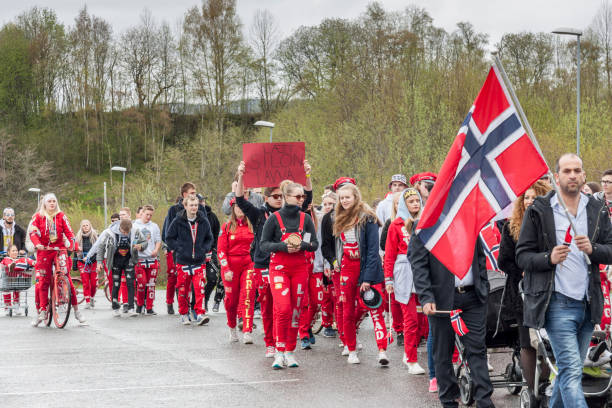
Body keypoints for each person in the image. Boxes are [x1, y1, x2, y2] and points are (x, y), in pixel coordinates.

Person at [516, 154, 612, 408]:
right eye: (567, 170)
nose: (572, 175)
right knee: (571, 371)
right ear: (556, 177)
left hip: (588, 303)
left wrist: (594, 250)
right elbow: (522, 256)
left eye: (577, 170)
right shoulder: (540, 210)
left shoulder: (596, 209)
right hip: (556, 304)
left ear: (583, 175)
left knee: (568, 373)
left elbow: (610, 250)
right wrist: (549, 257)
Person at [411, 216, 494, 407]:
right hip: (441, 300)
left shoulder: (468, 220)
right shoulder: (425, 225)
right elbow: (419, 264)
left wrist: (483, 284)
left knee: (477, 349)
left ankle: (484, 401)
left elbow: (479, 257)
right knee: (443, 353)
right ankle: (448, 400)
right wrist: (426, 297)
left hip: (472, 297)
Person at [498, 180, 551, 397]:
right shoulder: (512, 226)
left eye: (534, 197)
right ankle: (533, 391)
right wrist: (522, 270)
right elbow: (503, 260)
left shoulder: (551, 225)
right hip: (522, 292)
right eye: (526, 197)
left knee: (547, 343)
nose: (529, 201)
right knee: (527, 342)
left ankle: (547, 383)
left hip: (548, 290)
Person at [260, 180, 318, 369]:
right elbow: (264, 245)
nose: (302, 199)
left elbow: (313, 244)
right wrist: (283, 247)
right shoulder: (274, 218)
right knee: (283, 309)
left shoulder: (305, 219)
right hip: (279, 268)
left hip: (299, 268)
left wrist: (303, 245)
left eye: (303, 196)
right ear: (287, 197)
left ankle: (290, 352)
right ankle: (279, 350)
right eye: (298, 196)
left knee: (295, 311)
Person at [333, 183, 389, 366]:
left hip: (366, 267)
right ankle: (351, 348)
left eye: (347, 197)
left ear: (356, 197)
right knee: (347, 311)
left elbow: (373, 250)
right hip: (347, 268)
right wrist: (336, 263)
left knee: (374, 309)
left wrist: (367, 278)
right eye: (341, 198)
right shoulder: (338, 218)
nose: (344, 201)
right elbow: (338, 246)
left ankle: (382, 349)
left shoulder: (368, 218)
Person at [384, 187, 426, 375]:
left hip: (423, 273)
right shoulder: (396, 225)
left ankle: (411, 351)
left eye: (417, 200)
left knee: (423, 319)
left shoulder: (426, 222)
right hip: (404, 274)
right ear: (404, 205)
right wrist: (388, 279)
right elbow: (390, 254)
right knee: (411, 320)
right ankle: (411, 359)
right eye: (411, 201)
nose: (415, 204)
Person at [30, 193, 87, 326]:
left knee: (66, 277)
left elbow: (69, 233)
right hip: (44, 251)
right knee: (43, 281)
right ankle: (43, 310)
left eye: (54, 201)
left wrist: (73, 245)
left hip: (59, 250)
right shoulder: (38, 217)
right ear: (44, 203)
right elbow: (32, 233)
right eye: (49, 201)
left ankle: (77, 310)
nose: (52, 203)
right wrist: (37, 243)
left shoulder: (61, 216)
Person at [165, 194, 214, 326]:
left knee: (199, 288)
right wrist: (178, 249)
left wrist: (204, 249)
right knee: (183, 290)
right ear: (185, 206)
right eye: (191, 205)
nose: (194, 208)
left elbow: (209, 238)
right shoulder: (178, 221)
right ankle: (184, 313)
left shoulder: (203, 220)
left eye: (196, 205)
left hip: (199, 260)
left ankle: (199, 313)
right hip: (183, 261)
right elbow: (169, 238)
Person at [321, 177, 357, 350]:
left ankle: (351, 333)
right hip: (339, 266)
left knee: (362, 303)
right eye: (341, 191)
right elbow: (325, 245)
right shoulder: (329, 218)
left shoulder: (361, 215)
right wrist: (333, 262)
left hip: (359, 265)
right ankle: (345, 339)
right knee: (342, 303)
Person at [218, 198, 256, 342]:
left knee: (247, 295)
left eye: (242, 206)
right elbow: (221, 251)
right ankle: (232, 327)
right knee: (231, 301)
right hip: (230, 267)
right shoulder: (226, 227)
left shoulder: (252, 226)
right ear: (233, 209)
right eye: (237, 207)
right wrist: (226, 268)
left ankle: (247, 330)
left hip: (248, 264)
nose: (240, 209)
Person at [96, 219, 147, 317]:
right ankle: (115, 308)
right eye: (123, 232)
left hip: (129, 260)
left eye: (127, 232)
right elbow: (101, 247)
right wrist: (99, 262)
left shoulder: (135, 230)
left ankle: (131, 308)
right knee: (116, 283)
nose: (125, 234)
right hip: (115, 260)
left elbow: (144, 242)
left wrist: (140, 246)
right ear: (120, 228)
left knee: (130, 283)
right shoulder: (110, 232)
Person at [134, 205, 162, 315]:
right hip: (140, 260)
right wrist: (136, 246)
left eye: (151, 215)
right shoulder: (134, 225)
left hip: (152, 259)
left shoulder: (154, 226)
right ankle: (140, 305)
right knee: (142, 283)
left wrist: (156, 249)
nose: (149, 217)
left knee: (151, 285)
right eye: (147, 214)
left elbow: (158, 240)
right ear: (142, 213)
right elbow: (131, 241)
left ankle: (149, 307)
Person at [2, 244, 34, 315]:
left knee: (25, 260)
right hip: (7, 279)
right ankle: (7, 306)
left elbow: (26, 260)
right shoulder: (6, 259)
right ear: (8, 252)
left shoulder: (19, 260)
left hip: (16, 279)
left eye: (16, 250)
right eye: (13, 251)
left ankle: (16, 306)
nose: (15, 252)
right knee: (7, 261)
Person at [75, 220, 99, 308]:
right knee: (85, 282)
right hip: (82, 261)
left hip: (93, 261)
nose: (85, 227)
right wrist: (78, 249)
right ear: (81, 227)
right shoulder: (78, 237)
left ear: (90, 226)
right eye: (83, 226)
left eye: (87, 225)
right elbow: (75, 250)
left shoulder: (95, 236)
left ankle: (92, 297)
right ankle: (87, 301)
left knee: (93, 283)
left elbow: (98, 249)